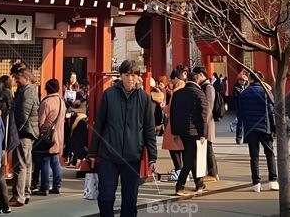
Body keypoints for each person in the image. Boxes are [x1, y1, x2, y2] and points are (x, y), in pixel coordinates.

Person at [87, 60, 157, 217]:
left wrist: (152, 157)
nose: (130, 79)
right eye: (127, 75)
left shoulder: (144, 98)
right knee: (105, 198)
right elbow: (99, 125)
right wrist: (92, 152)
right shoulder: (109, 95)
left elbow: (149, 130)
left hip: (132, 157)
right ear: (121, 76)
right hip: (109, 157)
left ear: (138, 77)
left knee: (130, 201)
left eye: (133, 75)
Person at [170, 65, 209, 196]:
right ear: (197, 80)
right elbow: (203, 116)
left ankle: (199, 183)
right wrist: (204, 133)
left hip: (181, 130)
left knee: (191, 157)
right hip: (195, 131)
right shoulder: (199, 94)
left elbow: (173, 113)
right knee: (189, 159)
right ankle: (180, 186)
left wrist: (174, 131)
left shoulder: (178, 94)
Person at [238, 71, 279, 192]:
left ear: (250, 79)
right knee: (270, 154)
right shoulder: (266, 92)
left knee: (254, 157)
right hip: (265, 128)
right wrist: (274, 128)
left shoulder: (244, 93)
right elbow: (271, 111)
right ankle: (273, 180)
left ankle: (256, 183)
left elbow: (240, 115)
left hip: (250, 129)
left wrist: (239, 133)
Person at [9, 66, 39, 208]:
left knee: (20, 165)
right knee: (26, 164)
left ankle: (19, 196)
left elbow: (23, 113)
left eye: (18, 78)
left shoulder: (28, 91)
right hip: (29, 131)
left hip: (24, 131)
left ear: (26, 78)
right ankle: (25, 193)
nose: (16, 81)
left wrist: (16, 130)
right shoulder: (31, 90)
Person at [34, 78, 65, 196]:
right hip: (58, 135)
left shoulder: (46, 102)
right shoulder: (61, 102)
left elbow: (40, 121)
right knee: (56, 161)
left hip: (47, 136)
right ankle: (57, 185)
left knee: (45, 161)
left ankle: (44, 187)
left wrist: (41, 131)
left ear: (47, 89)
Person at [192, 66, 219, 180]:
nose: (195, 77)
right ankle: (212, 172)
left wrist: (204, 124)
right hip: (204, 122)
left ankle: (213, 173)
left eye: (197, 75)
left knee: (208, 147)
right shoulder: (203, 87)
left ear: (202, 75)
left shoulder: (208, 87)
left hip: (206, 122)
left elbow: (207, 108)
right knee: (207, 147)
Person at [231, 71, 248, 144]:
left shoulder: (246, 87)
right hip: (239, 108)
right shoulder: (236, 88)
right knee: (240, 124)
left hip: (246, 108)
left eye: (245, 81)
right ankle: (238, 138)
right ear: (239, 81)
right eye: (242, 81)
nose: (243, 82)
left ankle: (247, 138)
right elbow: (236, 97)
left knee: (247, 124)